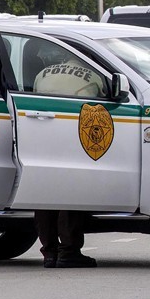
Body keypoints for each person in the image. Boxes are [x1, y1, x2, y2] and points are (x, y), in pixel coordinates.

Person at [32, 46, 103, 268]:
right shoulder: (95, 77)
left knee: (44, 194)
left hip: (41, 136)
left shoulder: (42, 74)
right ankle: (69, 250)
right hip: (72, 137)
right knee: (71, 193)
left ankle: (49, 253)